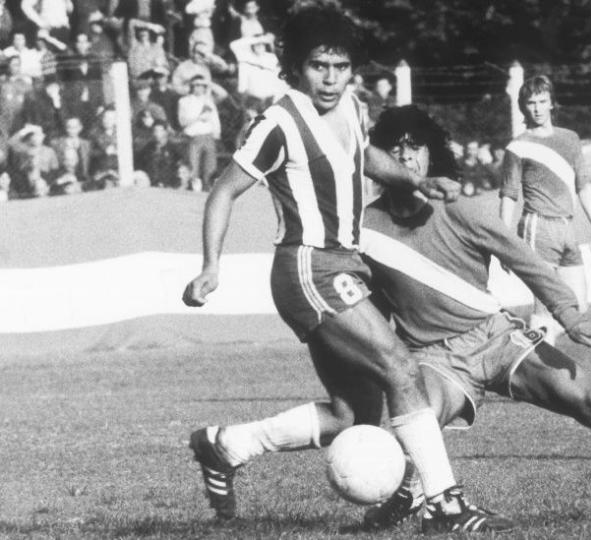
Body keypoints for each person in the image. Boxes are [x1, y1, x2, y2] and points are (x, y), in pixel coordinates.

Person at [180, 7, 513, 533]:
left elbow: (365, 158)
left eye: (340, 66)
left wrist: (415, 180)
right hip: (309, 267)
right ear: (295, 66)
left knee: (353, 414)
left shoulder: (353, 107)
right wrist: (210, 265)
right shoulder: (279, 122)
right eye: (319, 66)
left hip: (345, 267)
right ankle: (444, 503)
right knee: (400, 366)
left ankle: (225, 446)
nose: (331, 78)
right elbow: (223, 191)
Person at [357, 105, 591, 531]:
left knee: (587, 398)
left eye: (416, 147)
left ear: (432, 156)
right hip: (434, 359)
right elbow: (367, 307)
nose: (407, 158)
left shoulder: (459, 210)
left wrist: (571, 317)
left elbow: (527, 262)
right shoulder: (365, 229)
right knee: (416, 425)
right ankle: (411, 497)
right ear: (380, 162)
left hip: (496, 338)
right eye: (396, 149)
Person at [499, 75, 591, 344]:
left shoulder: (570, 139)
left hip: (567, 227)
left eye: (542, 101)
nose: (536, 108)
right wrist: (502, 240)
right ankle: (539, 371)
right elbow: (509, 195)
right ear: (524, 107)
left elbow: (584, 185)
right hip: (538, 226)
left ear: (552, 104)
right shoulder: (518, 146)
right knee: (545, 305)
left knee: (578, 306)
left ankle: (527, 345)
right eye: (531, 103)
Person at [177, 74, 219, 190]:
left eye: (201, 85)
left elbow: (215, 118)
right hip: (193, 137)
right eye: (195, 85)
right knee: (193, 166)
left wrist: (216, 133)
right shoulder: (184, 101)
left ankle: (208, 188)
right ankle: (194, 189)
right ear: (191, 86)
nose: (198, 88)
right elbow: (182, 121)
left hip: (208, 136)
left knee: (210, 167)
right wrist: (198, 118)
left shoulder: (209, 100)